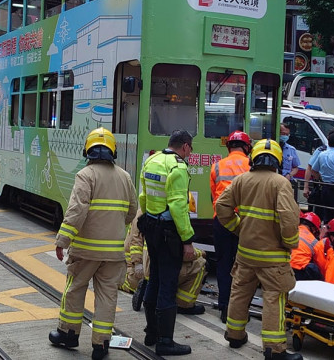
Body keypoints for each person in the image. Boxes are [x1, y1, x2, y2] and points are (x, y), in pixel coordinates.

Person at [49, 128, 138, 359]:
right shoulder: (125, 177)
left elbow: (76, 212)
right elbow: (131, 212)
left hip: (85, 250)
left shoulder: (85, 175)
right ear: (113, 151)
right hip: (114, 254)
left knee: (75, 290)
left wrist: (62, 240)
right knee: (108, 296)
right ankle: (101, 345)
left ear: (87, 150)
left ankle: (68, 334)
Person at [215, 139, 302, 360]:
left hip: (245, 253)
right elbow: (289, 218)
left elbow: (221, 206)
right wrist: (290, 242)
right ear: (278, 160)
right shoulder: (281, 183)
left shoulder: (242, 180)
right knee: (273, 299)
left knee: (240, 293)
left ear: (253, 158)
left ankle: (234, 335)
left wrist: (238, 228)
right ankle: (274, 350)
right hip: (273, 258)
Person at [136, 130, 194, 356]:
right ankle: (165, 340)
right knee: (168, 284)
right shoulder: (177, 167)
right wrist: (187, 239)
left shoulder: (152, 160)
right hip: (169, 232)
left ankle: (151, 332)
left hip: (151, 226)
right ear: (186, 147)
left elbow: (143, 197)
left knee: (155, 279)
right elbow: (179, 207)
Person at [121, 212, 207, 316]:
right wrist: (200, 253)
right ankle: (183, 304)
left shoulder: (143, 212)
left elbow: (136, 242)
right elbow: (183, 254)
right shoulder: (174, 218)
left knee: (144, 282)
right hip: (158, 269)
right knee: (201, 264)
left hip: (139, 269)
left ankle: (142, 289)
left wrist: (137, 264)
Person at [209, 130, 252, 324]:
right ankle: (239, 309)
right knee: (243, 267)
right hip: (244, 221)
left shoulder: (217, 166)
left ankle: (224, 305)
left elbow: (214, 196)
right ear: (246, 147)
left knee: (224, 264)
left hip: (222, 220)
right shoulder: (251, 166)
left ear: (229, 147)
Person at [304, 131, 334, 221]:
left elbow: (314, 170)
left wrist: (320, 178)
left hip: (324, 187)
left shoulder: (322, 154)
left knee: (326, 215)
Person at [291, 211, 326, 281]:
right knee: (314, 269)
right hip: (299, 272)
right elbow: (321, 265)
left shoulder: (291, 231)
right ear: (313, 229)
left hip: (283, 266)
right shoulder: (314, 242)